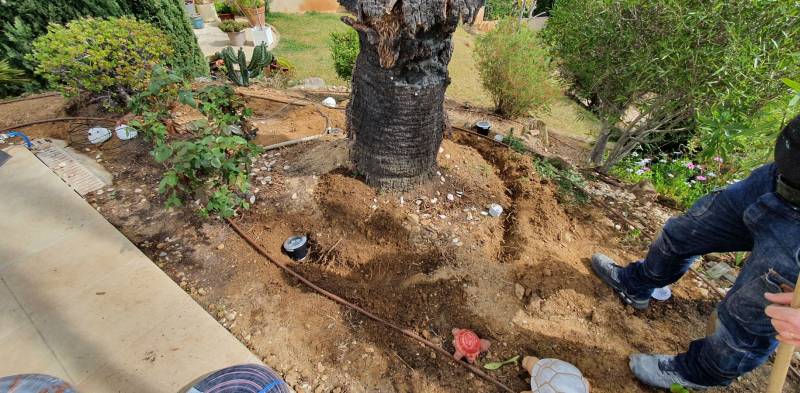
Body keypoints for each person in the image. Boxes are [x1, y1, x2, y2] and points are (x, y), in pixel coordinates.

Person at [591, 114, 800, 389]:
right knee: (684, 232)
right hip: (773, 180)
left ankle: (699, 373)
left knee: (748, 316)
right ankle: (636, 285)